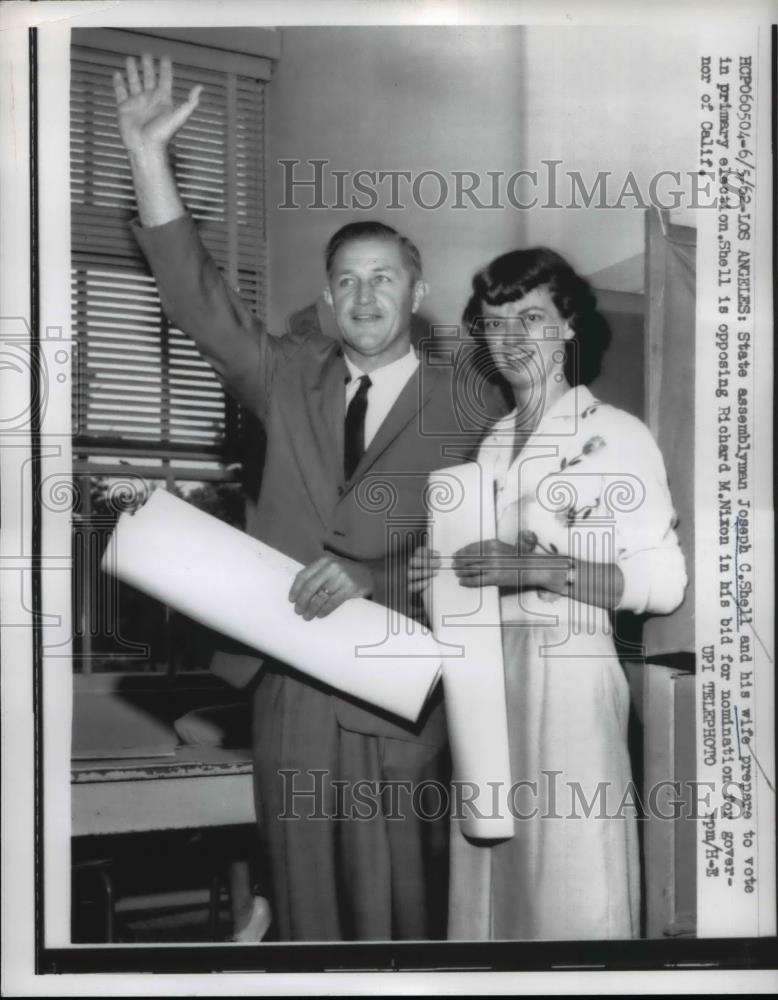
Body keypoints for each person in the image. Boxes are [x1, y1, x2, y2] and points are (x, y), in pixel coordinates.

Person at [112, 54, 503, 941]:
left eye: (385, 277)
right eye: (348, 282)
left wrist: (383, 578)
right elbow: (200, 300)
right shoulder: (286, 376)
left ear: (419, 291)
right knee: (302, 905)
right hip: (287, 687)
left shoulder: (471, 404)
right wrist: (146, 158)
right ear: (327, 301)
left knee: (402, 907)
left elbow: (488, 552)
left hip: (403, 691)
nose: (366, 296)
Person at [409, 248, 688, 940]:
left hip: (568, 671)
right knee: (491, 880)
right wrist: (439, 576)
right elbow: (482, 569)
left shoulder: (614, 434)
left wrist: (535, 570)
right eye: (495, 323)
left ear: (567, 327)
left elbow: (663, 580)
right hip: (482, 675)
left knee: (569, 880)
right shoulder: (492, 444)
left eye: (531, 318)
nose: (510, 339)